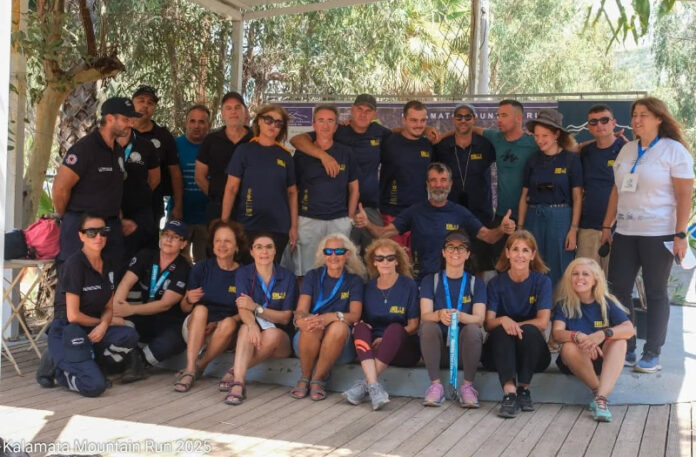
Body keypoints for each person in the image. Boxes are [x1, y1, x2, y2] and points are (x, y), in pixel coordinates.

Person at [602, 96, 694, 372]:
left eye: (643, 115)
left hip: (659, 233)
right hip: (625, 232)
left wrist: (680, 234)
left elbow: (684, 194)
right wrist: (607, 226)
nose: (637, 120)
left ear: (659, 119)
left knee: (655, 292)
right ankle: (626, 346)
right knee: (618, 289)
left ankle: (652, 352)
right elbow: (617, 190)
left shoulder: (674, 150)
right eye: (634, 115)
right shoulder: (627, 149)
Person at [355, 162, 515, 281]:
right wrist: (367, 224)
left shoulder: (460, 212)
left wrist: (502, 229)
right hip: (422, 280)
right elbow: (383, 233)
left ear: (450, 184)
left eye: (443, 180)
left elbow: (488, 236)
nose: (439, 185)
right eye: (434, 180)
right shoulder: (415, 212)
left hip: (454, 280)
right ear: (427, 184)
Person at [39, 214, 142, 397]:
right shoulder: (74, 264)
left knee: (129, 335)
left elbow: (108, 307)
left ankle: (81, 361)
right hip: (69, 328)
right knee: (95, 386)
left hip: (92, 328)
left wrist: (104, 324)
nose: (98, 237)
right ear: (81, 235)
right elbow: (73, 316)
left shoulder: (108, 263)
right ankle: (60, 372)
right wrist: (102, 324)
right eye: (92, 232)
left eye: (103, 232)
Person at [290, 94, 391, 252]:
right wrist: (324, 156)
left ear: (374, 114)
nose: (363, 114)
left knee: (374, 254)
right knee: (340, 257)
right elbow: (297, 140)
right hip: (339, 211)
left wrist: (425, 129)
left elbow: (402, 133)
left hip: (369, 208)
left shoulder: (379, 132)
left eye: (368, 111)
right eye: (359, 109)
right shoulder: (338, 130)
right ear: (352, 110)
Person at [52, 97, 138, 273]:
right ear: (109, 118)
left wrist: (118, 219)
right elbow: (60, 189)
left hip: (110, 229)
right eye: (125, 119)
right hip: (82, 228)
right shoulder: (84, 149)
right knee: (76, 279)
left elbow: (112, 190)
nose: (130, 124)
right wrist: (70, 218)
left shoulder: (118, 151)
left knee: (111, 279)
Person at [552, 258, 635, 422]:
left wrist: (602, 334)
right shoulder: (564, 304)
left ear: (595, 279)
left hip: (602, 359)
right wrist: (578, 336)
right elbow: (557, 333)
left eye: (585, 274)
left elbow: (629, 329)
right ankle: (600, 395)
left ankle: (600, 399)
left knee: (620, 341)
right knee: (568, 346)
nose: (579, 278)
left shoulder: (606, 302)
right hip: (576, 360)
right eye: (575, 274)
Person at [343, 239, 419, 410]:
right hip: (374, 347)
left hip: (403, 347)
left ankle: (365, 384)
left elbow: (414, 325)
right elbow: (363, 321)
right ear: (374, 262)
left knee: (394, 328)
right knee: (359, 327)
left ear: (397, 261)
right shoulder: (368, 287)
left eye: (390, 258)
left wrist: (386, 339)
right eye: (380, 258)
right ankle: (374, 387)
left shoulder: (409, 285)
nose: (385, 262)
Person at [222, 233, 298, 405]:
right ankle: (239, 383)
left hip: (280, 341)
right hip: (253, 336)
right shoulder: (243, 273)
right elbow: (243, 307)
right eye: (259, 247)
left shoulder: (287, 277)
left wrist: (256, 307)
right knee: (245, 328)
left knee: (272, 334)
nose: (264, 251)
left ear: (275, 251)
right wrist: (252, 325)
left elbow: (285, 318)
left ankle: (234, 371)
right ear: (252, 252)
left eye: (269, 247)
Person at [482, 231, 552, 418]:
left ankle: (523, 390)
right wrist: (503, 320)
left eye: (525, 250)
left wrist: (514, 324)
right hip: (498, 355)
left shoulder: (542, 282)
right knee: (501, 330)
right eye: (515, 249)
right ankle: (510, 394)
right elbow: (488, 324)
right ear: (507, 253)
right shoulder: (495, 283)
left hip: (532, 355)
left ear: (533, 255)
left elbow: (543, 323)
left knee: (530, 330)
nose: (520, 255)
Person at [291, 233, 366, 401]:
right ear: (322, 254)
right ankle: (305, 376)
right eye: (328, 251)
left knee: (339, 326)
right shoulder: (312, 276)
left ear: (347, 254)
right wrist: (302, 320)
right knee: (312, 324)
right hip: (307, 339)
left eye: (339, 251)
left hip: (341, 346)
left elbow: (355, 315)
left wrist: (332, 316)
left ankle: (318, 379)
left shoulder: (354, 280)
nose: (333, 256)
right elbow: (301, 310)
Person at [112, 220, 191, 378]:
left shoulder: (184, 268)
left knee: (172, 341)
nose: (169, 239)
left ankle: (139, 363)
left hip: (168, 320)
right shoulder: (146, 255)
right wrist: (116, 310)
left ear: (183, 244)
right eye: (166, 234)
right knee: (119, 325)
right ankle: (129, 362)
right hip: (142, 316)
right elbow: (125, 283)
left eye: (175, 237)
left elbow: (164, 304)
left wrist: (130, 309)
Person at [174, 220, 245, 392]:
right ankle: (190, 367)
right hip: (196, 328)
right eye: (217, 241)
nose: (222, 245)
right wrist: (189, 300)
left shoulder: (244, 274)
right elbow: (184, 308)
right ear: (212, 245)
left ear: (237, 246)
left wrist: (219, 323)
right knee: (200, 309)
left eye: (227, 241)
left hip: (225, 333)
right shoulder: (201, 268)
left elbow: (245, 312)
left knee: (229, 323)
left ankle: (199, 366)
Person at [221, 104, 298, 262]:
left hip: (278, 227)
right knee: (247, 271)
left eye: (278, 123)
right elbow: (231, 188)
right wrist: (224, 222)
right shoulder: (244, 151)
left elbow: (292, 192)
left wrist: (294, 227)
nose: (273, 125)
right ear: (259, 121)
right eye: (268, 120)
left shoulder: (285, 156)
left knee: (272, 271)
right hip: (248, 225)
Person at [419, 230, 486, 407]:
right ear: (443, 252)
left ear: (468, 254)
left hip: (464, 353)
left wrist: (462, 316)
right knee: (428, 326)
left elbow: (480, 319)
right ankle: (436, 386)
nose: (455, 252)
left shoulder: (476, 283)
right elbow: (425, 316)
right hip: (438, 352)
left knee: (473, 329)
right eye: (450, 247)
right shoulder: (430, 281)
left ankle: (467, 387)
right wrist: (439, 314)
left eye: (461, 248)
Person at [291, 104, 359, 277]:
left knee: (339, 269)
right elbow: (293, 190)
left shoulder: (346, 153)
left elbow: (354, 188)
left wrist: (349, 218)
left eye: (330, 121)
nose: (325, 125)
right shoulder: (301, 154)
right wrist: (295, 223)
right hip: (308, 219)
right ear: (314, 124)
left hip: (338, 220)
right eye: (321, 120)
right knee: (306, 270)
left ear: (336, 126)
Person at [517, 109, 582, 286]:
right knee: (533, 263)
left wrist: (573, 229)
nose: (539, 140)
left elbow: (577, 197)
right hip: (534, 216)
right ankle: (536, 302)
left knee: (560, 264)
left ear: (556, 134)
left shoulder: (571, 159)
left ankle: (559, 302)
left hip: (561, 217)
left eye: (544, 135)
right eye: (536, 136)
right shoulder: (532, 160)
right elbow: (524, 196)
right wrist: (520, 229)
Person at [434, 103, 496, 273]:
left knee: (480, 263)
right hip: (450, 212)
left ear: (474, 119)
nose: (463, 120)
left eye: (467, 116)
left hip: (480, 212)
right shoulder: (442, 146)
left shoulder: (486, 145)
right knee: (450, 259)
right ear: (453, 119)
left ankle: (480, 291)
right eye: (459, 116)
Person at [577, 105, 625, 275]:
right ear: (588, 127)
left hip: (619, 228)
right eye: (594, 122)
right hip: (588, 227)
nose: (599, 125)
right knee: (586, 279)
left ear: (614, 123)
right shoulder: (585, 152)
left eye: (604, 120)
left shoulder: (627, 150)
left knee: (615, 281)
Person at [472, 99, 539, 222]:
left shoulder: (534, 142)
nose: (499, 119)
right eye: (498, 115)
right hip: (502, 214)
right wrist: (439, 137)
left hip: (527, 215)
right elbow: (470, 129)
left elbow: (565, 147)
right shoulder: (495, 137)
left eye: (504, 115)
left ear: (519, 118)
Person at [379, 100, 433, 250]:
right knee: (394, 259)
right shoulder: (388, 142)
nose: (419, 125)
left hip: (419, 213)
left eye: (423, 120)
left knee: (417, 260)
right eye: (413, 120)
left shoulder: (428, 145)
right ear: (404, 120)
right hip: (392, 213)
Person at [195, 92, 253, 224]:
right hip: (217, 209)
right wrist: (216, 197)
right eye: (228, 108)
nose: (233, 112)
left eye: (237, 107)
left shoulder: (255, 140)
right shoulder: (211, 140)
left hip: (249, 209)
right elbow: (199, 177)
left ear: (245, 112)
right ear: (222, 114)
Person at [131, 85, 184, 224]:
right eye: (141, 100)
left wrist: (178, 205)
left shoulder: (164, 136)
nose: (145, 105)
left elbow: (175, 172)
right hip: (121, 204)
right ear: (132, 103)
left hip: (152, 206)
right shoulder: (122, 131)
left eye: (150, 103)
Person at [117, 115, 161, 260]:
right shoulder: (105, 144)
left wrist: (139, 196)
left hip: (140, 212)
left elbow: (154, 179)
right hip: (111, 211)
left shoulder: (146, 145)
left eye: (127, 118)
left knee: (143, 255)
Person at [175, 104, 211, 262]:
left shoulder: (214, 146)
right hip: (180, 215)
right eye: (193, 121)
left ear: (209, 125)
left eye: (202, 122)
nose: (197, 126)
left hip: (207, 218)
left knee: (204, 263)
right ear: (186, 123)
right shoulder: (175, 145)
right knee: (177, 262)